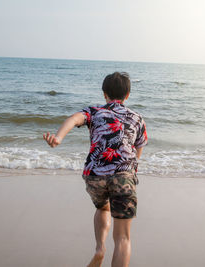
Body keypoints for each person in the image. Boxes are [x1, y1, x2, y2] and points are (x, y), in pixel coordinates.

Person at [43, 72, 147, 267]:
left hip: (94, 175)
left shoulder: (94, 111)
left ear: (104, 94)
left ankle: (100, 248)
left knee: (103, 207)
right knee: (123, 238)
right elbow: (138, 150)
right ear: (128, 95)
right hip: (123, 175)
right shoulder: (137, 118)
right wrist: (130, 173)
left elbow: (74, 119)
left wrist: (58, 138)